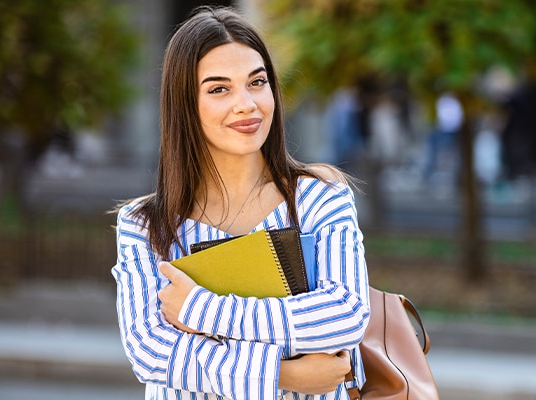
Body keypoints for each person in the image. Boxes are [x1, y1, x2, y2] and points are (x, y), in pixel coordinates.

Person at [111, 6, 370, 400]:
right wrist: (285, 375)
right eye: (219, 89)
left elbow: (345, 316)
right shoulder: (145, 223)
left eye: (257, 81)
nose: (247, 104)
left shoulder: (320, 197)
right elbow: (151, 353)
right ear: (186, 104)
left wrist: (201, 309)